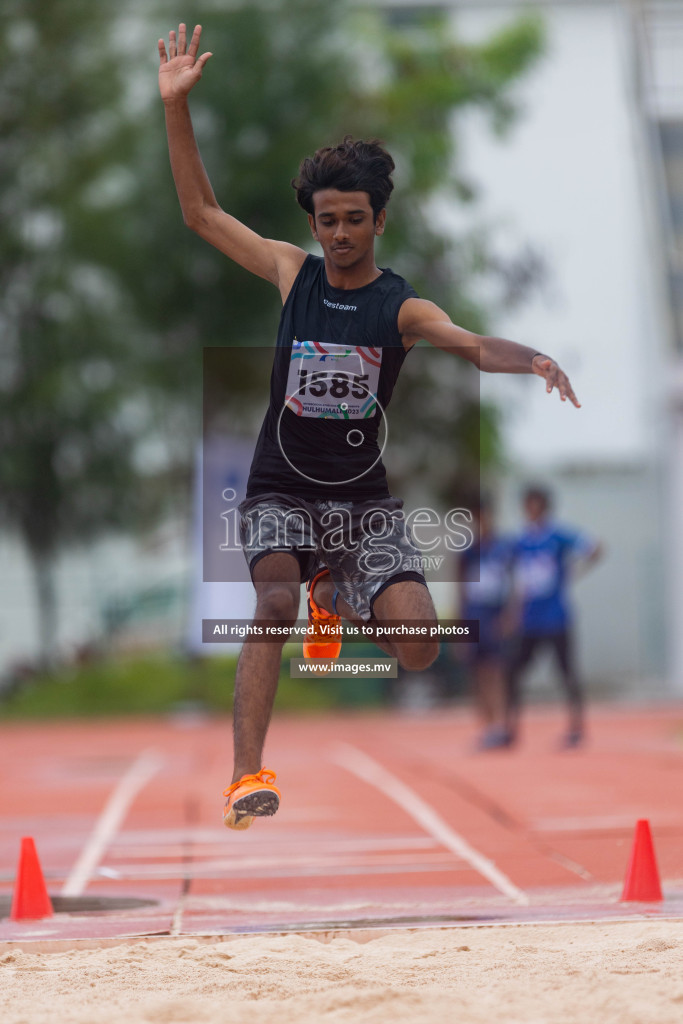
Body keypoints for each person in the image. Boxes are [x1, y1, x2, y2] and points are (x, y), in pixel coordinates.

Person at [158, 23, 581, 829]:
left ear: (378, 222)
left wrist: (530, 359)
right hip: (280, 488)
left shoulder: (402, 307)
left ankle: (339, 598)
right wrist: (177, 109)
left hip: (365, 506)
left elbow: (469, 344)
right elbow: (201, 213)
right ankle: (247, 777)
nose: (339, 233)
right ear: (313, 224)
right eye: (327, 220)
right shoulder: (293, 274)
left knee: (420, 644)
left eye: (354, 219)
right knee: (272, 601)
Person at [505, 485, 602, 748]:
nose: (531, 511)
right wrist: (513, 612)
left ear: (544, 507)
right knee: (513, 671)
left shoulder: (558, 536)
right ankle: (510, 728)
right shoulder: (522, 541)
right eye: (528, 505)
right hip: (530, 619)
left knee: (567, 673)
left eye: (535, 505)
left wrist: (573, 572)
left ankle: (576, 728)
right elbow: (520, 581)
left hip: (556, 617)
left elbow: (595, 547)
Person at [457, 496, 514, 750]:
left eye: (483, 518)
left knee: (496, 671)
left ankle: (501, 726)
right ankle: (488, 725)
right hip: (474, 614)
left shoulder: (503, 549)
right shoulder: (467, 552)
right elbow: (461, 590)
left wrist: (510, 615)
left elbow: (515, 585)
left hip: (495, 614)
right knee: (478, 674)